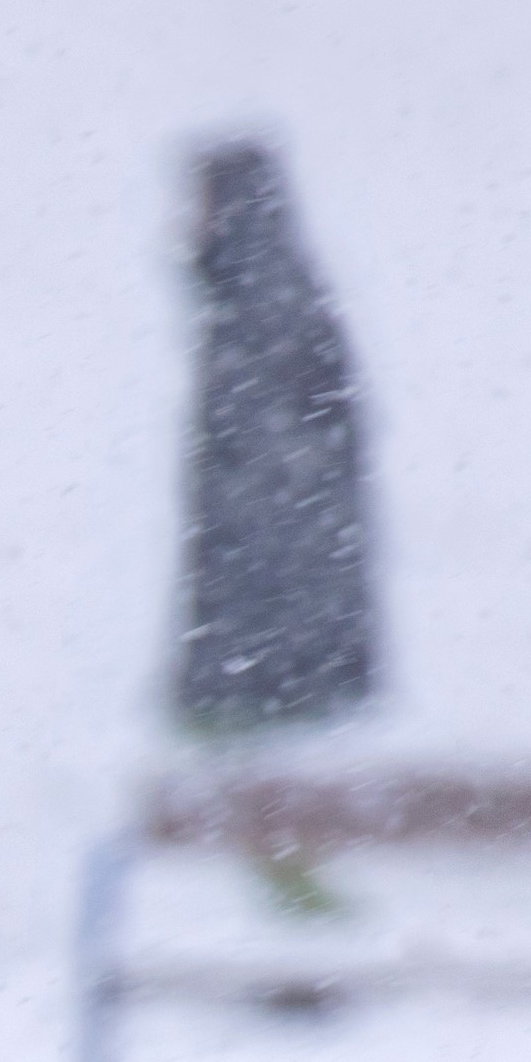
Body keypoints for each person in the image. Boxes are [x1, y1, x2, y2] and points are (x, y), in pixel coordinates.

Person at [168, 139, 378, 915]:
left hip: (266, 591)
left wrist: (260, 583)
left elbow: (283, 460)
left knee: (232, 746)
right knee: (235, 755)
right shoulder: (256, 296)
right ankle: (298, 912)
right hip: (260, 584)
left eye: (199, 204)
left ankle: (310, 918)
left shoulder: (265, 301)